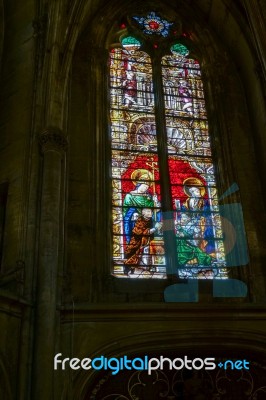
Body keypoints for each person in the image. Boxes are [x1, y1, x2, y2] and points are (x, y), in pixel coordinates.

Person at [175, 177, 215, 266]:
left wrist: (199, 217)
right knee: (183, 229)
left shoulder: (204, 202)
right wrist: (179, 209)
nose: (196, 193)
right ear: (190, 193)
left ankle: (200, 250)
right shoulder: (187, 202)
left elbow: (207, 212)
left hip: (202, 221)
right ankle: (188, 250)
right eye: (193, 191)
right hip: (190, 221)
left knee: (196, 229)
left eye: (197, 191)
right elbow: (184, 213)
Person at [124, 208, 161, 274]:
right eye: (148, 211)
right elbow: (140, 232)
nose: (150, 212)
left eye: (151, 211)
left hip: (147, 240)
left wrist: (158, 228)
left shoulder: (151, 220)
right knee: (135, 254)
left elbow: (154, 231)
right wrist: (155, 228)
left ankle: (151, 266)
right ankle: (128, 267)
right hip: (137, 241)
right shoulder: (140, 220)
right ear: (143, 213)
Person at [123, 169, 155, 244]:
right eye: (144, 186)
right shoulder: (129, 196)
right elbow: (125, 211)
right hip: (134, 221)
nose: (145, 188)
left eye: (147, 187)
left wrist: (155, 202)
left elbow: (152, 209)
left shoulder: (149, 197)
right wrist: (133, 213)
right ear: (138, 185)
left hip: (147, 220)